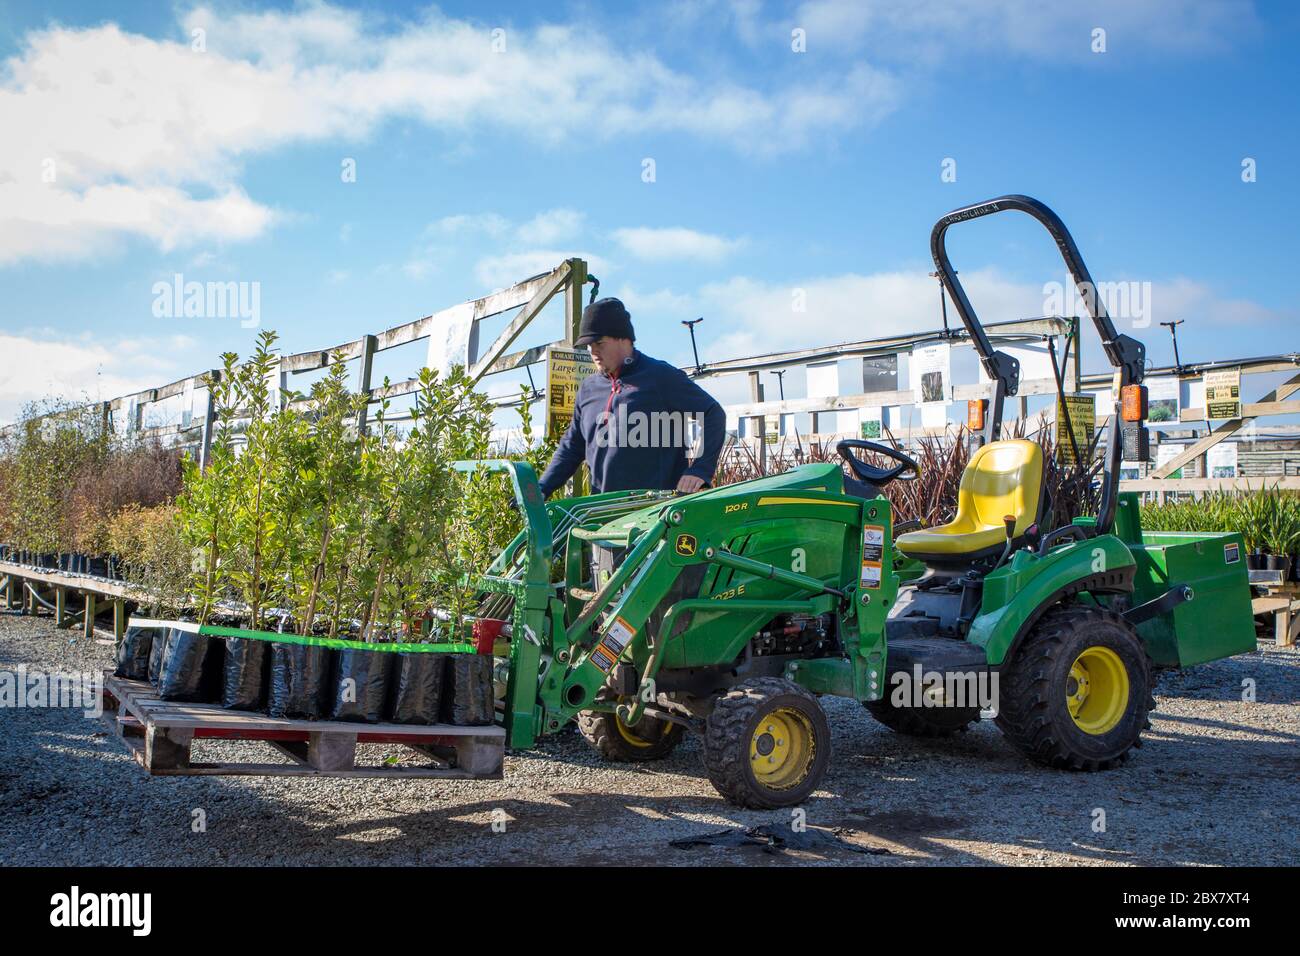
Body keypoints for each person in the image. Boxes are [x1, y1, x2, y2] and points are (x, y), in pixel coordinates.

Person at [537, 297, 725, 499]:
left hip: (655, 514)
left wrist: (699, 469)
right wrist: (542, 488)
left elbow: (712, 413)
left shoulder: (660, 377)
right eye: (589, 346)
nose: (594, 352)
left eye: (599, 343)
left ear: (623, 339)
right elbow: (572, 446)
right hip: (602, 511)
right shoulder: (588, 389)